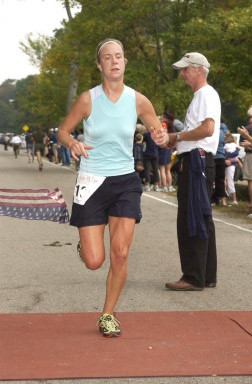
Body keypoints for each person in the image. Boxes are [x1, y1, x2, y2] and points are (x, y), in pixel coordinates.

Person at [57, 38, 168, 337]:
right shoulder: (87, 99)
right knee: (95, 261)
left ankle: (107, 314)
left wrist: (162, 138)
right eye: (108, 57)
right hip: (92, 180)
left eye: (119, 56)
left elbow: (160, 132)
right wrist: (72, 143)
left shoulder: (139, 100)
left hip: (125, 182)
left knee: (120, 253)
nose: (114, 61)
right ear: (99, 64)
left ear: (125, 62)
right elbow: (62, 131)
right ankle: (86, 246)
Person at [165, 52, 221, 291]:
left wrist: (176, 136)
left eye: (185, 69)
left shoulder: (205, 94)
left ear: (199, 69)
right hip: (199, 159)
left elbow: (207, 129)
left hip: (197, 162)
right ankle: (206, 275)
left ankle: (193, 277)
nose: (182, 73)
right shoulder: (203, 95)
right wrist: (177, 141)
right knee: (202, 217)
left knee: (191, 217)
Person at [224, 133, 243, 205]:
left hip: (228, 165)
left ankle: (233, 199)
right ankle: (233, 199)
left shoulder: (225, 146)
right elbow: (237, 154)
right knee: (230, 180)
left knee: (228, 180)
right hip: (232, 164)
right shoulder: (234, 145)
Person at [238, 116, 252, 209]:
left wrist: (249, 143)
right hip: (249, 155)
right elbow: (241, 143)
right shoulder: (246, 128)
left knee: (250, 181)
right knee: (250, 181)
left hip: (250, 155)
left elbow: (242, 143)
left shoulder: (246, 129)